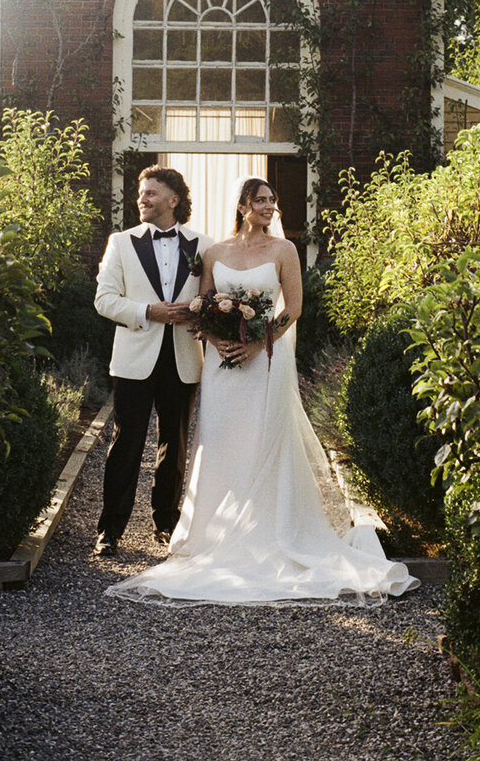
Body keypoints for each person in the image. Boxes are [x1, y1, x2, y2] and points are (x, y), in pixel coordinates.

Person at [106, 177, 420, 603]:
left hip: (264, 361)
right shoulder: (212, 252)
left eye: (272, 200)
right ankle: (177, 531)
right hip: (217, 363)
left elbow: (294, 307)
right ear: (242, 206)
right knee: (212, 443)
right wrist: (218, 343)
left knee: (244, 442)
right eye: (261, 200)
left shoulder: (279, 250)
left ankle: (260, 528)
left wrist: (257, 344)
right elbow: (204, 306)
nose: (270, 207)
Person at [93, 166, 212, 557]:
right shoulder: (121, 242)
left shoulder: (202, 245)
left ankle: (167, 524)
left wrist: (199, 314)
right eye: (141, 193)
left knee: (174, 446)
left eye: (150, 193)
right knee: (125, 444)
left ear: (173, 200)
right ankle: (109, 530)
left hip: (182, 358)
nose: (141, 199)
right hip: (134, 359)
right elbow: (104, 300)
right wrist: (148, 311)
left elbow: (212, 301)